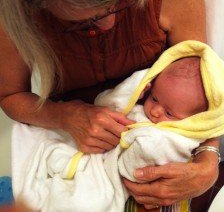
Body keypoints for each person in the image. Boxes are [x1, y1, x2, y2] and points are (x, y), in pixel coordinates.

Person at [0, 0, 219, 210]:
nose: (108, 24)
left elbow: (207, 96)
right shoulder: (19, 8)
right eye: (85, 21)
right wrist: (64, 116)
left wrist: (208, 160)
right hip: (72, 142)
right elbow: (11, 95)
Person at [14, 56, 211, 212]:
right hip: (88, 149)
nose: (155, 111)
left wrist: (135, 142)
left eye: (169, 112)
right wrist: (133, 89)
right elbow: (106, 103)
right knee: (52, 153)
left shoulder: (176, 138)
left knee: (87, 205)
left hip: (113, 177)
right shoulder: (141, 108)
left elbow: (134, 167)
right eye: (155, 98)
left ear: (193, 119)